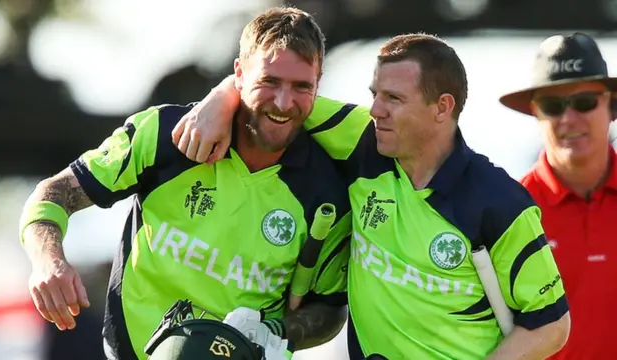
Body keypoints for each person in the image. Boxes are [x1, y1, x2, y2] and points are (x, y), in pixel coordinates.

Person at [171, 33, 572, 359]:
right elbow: (280, 98)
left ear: (441, 108)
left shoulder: (500, 201)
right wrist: (221, 96)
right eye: (374, 94)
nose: (376, 109)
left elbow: (552, 325)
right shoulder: (364, 143)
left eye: (393, 99)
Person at [19, 7, 353, 360]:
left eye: (301, 86)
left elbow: (330, 309)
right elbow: (55, 192)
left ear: (319, 83)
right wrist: (48, 262)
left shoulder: (328, 191)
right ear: (239, 73)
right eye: (269, 82)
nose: (283, 103)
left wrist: (277, 332)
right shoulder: (164, 134)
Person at [499, 32, 617, 359]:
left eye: (584, 102)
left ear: (612, 106)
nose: (568, 119)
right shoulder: (507, 209)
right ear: (536, 114)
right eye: (553, 106)